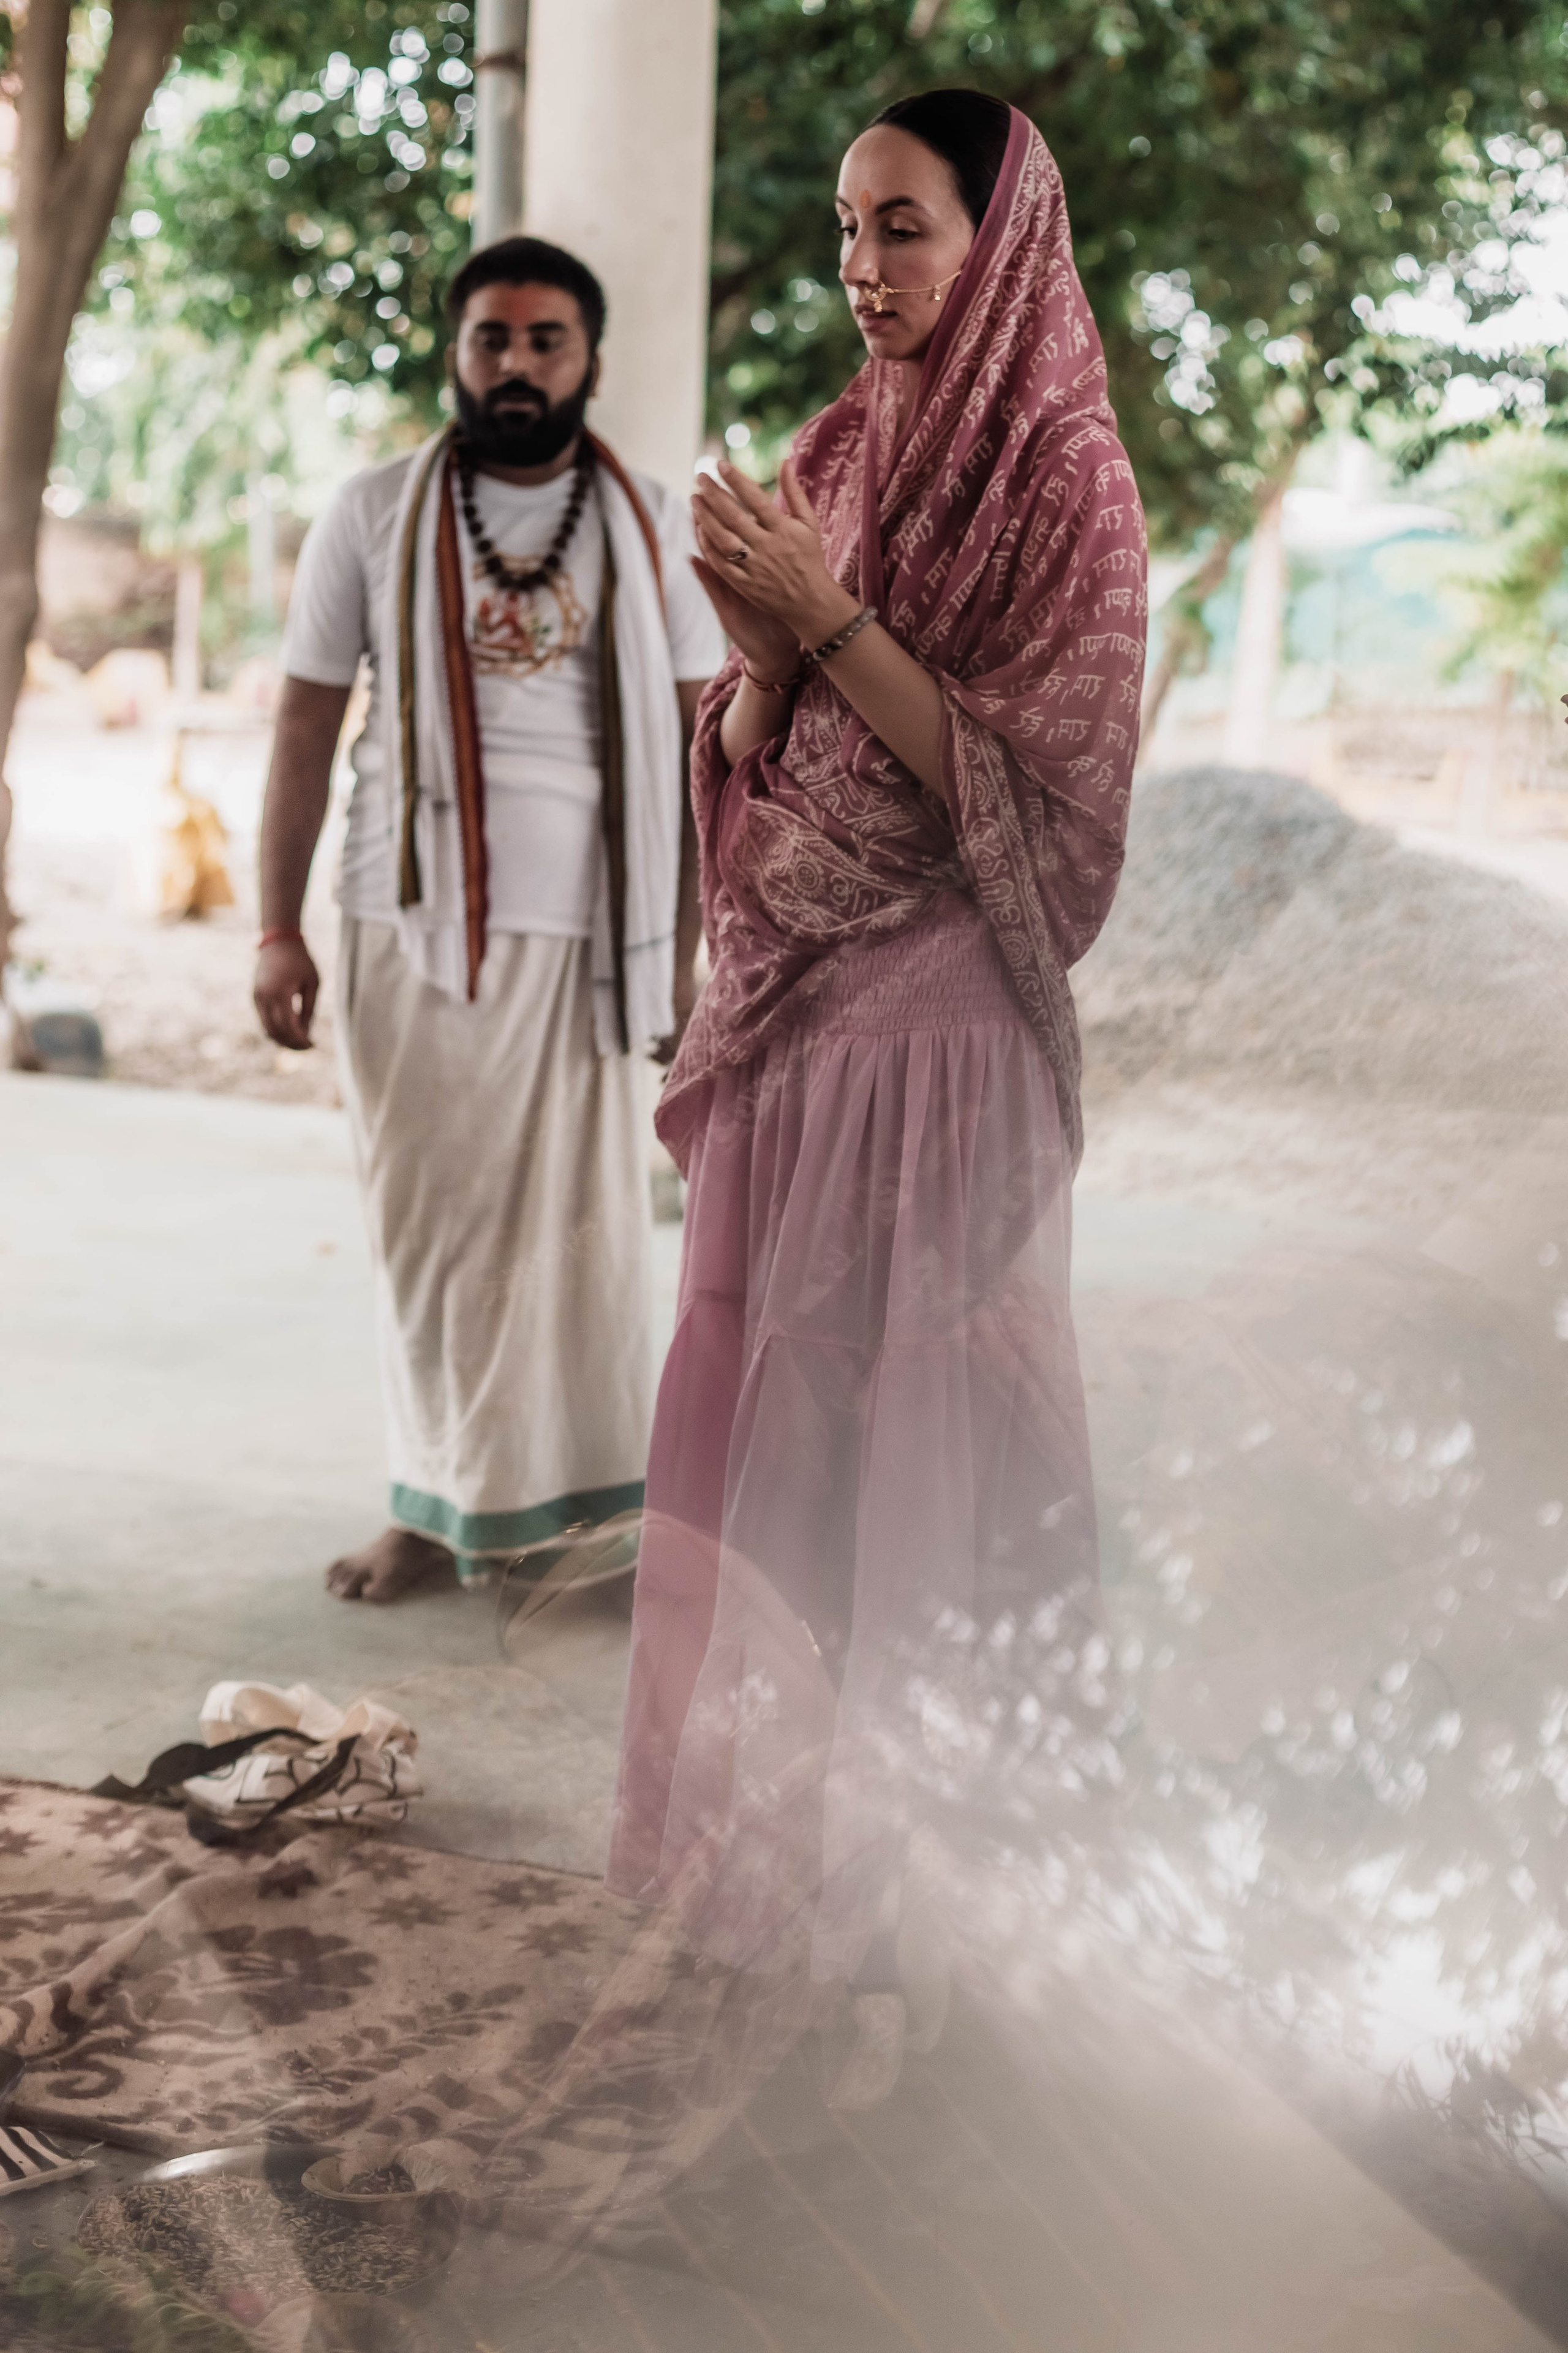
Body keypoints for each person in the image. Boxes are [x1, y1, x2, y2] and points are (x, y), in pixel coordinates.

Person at [605, 93, 1145, 2090]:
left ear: (995, 241)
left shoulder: (1069, 483)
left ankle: (921, 1947)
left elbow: (1051, 807)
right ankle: (756, 1896)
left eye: (904, 229)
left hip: (945, 1050)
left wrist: (824, 623)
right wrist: (757, 661)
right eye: (847, 229)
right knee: (782, 1477)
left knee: (938, 1490)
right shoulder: (837, 448)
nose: (864, 270)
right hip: (796, 1030)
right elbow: (755, 748)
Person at [254, 236, 725, 1603]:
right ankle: (433, 1506)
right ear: (454, 353)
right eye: (491, 340)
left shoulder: (654, 520)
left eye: (545, 342)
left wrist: (692, 951)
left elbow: (706, 755)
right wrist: (274, 928)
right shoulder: (372, 512)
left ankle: (590, 1525)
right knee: (427, 1228)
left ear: (589, 359)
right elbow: (302, 725)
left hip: (594, 937)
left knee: (580, 1241)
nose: (515, 365)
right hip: (403, 925)